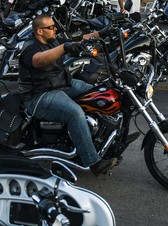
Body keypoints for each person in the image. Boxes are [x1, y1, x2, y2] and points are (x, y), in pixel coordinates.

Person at [18, 14, 124, 177]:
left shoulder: (50, 40)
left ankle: (106, 137)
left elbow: (78, 40)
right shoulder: (30, 47)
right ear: (40, 31)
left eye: (54, 26)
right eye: (51, 27)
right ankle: (93, 162)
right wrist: (64, 48)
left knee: (100, 92)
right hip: (38, 95)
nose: (55, 29)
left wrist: (101, 33)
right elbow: (40, 60)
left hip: (61, 85)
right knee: (75, 113)